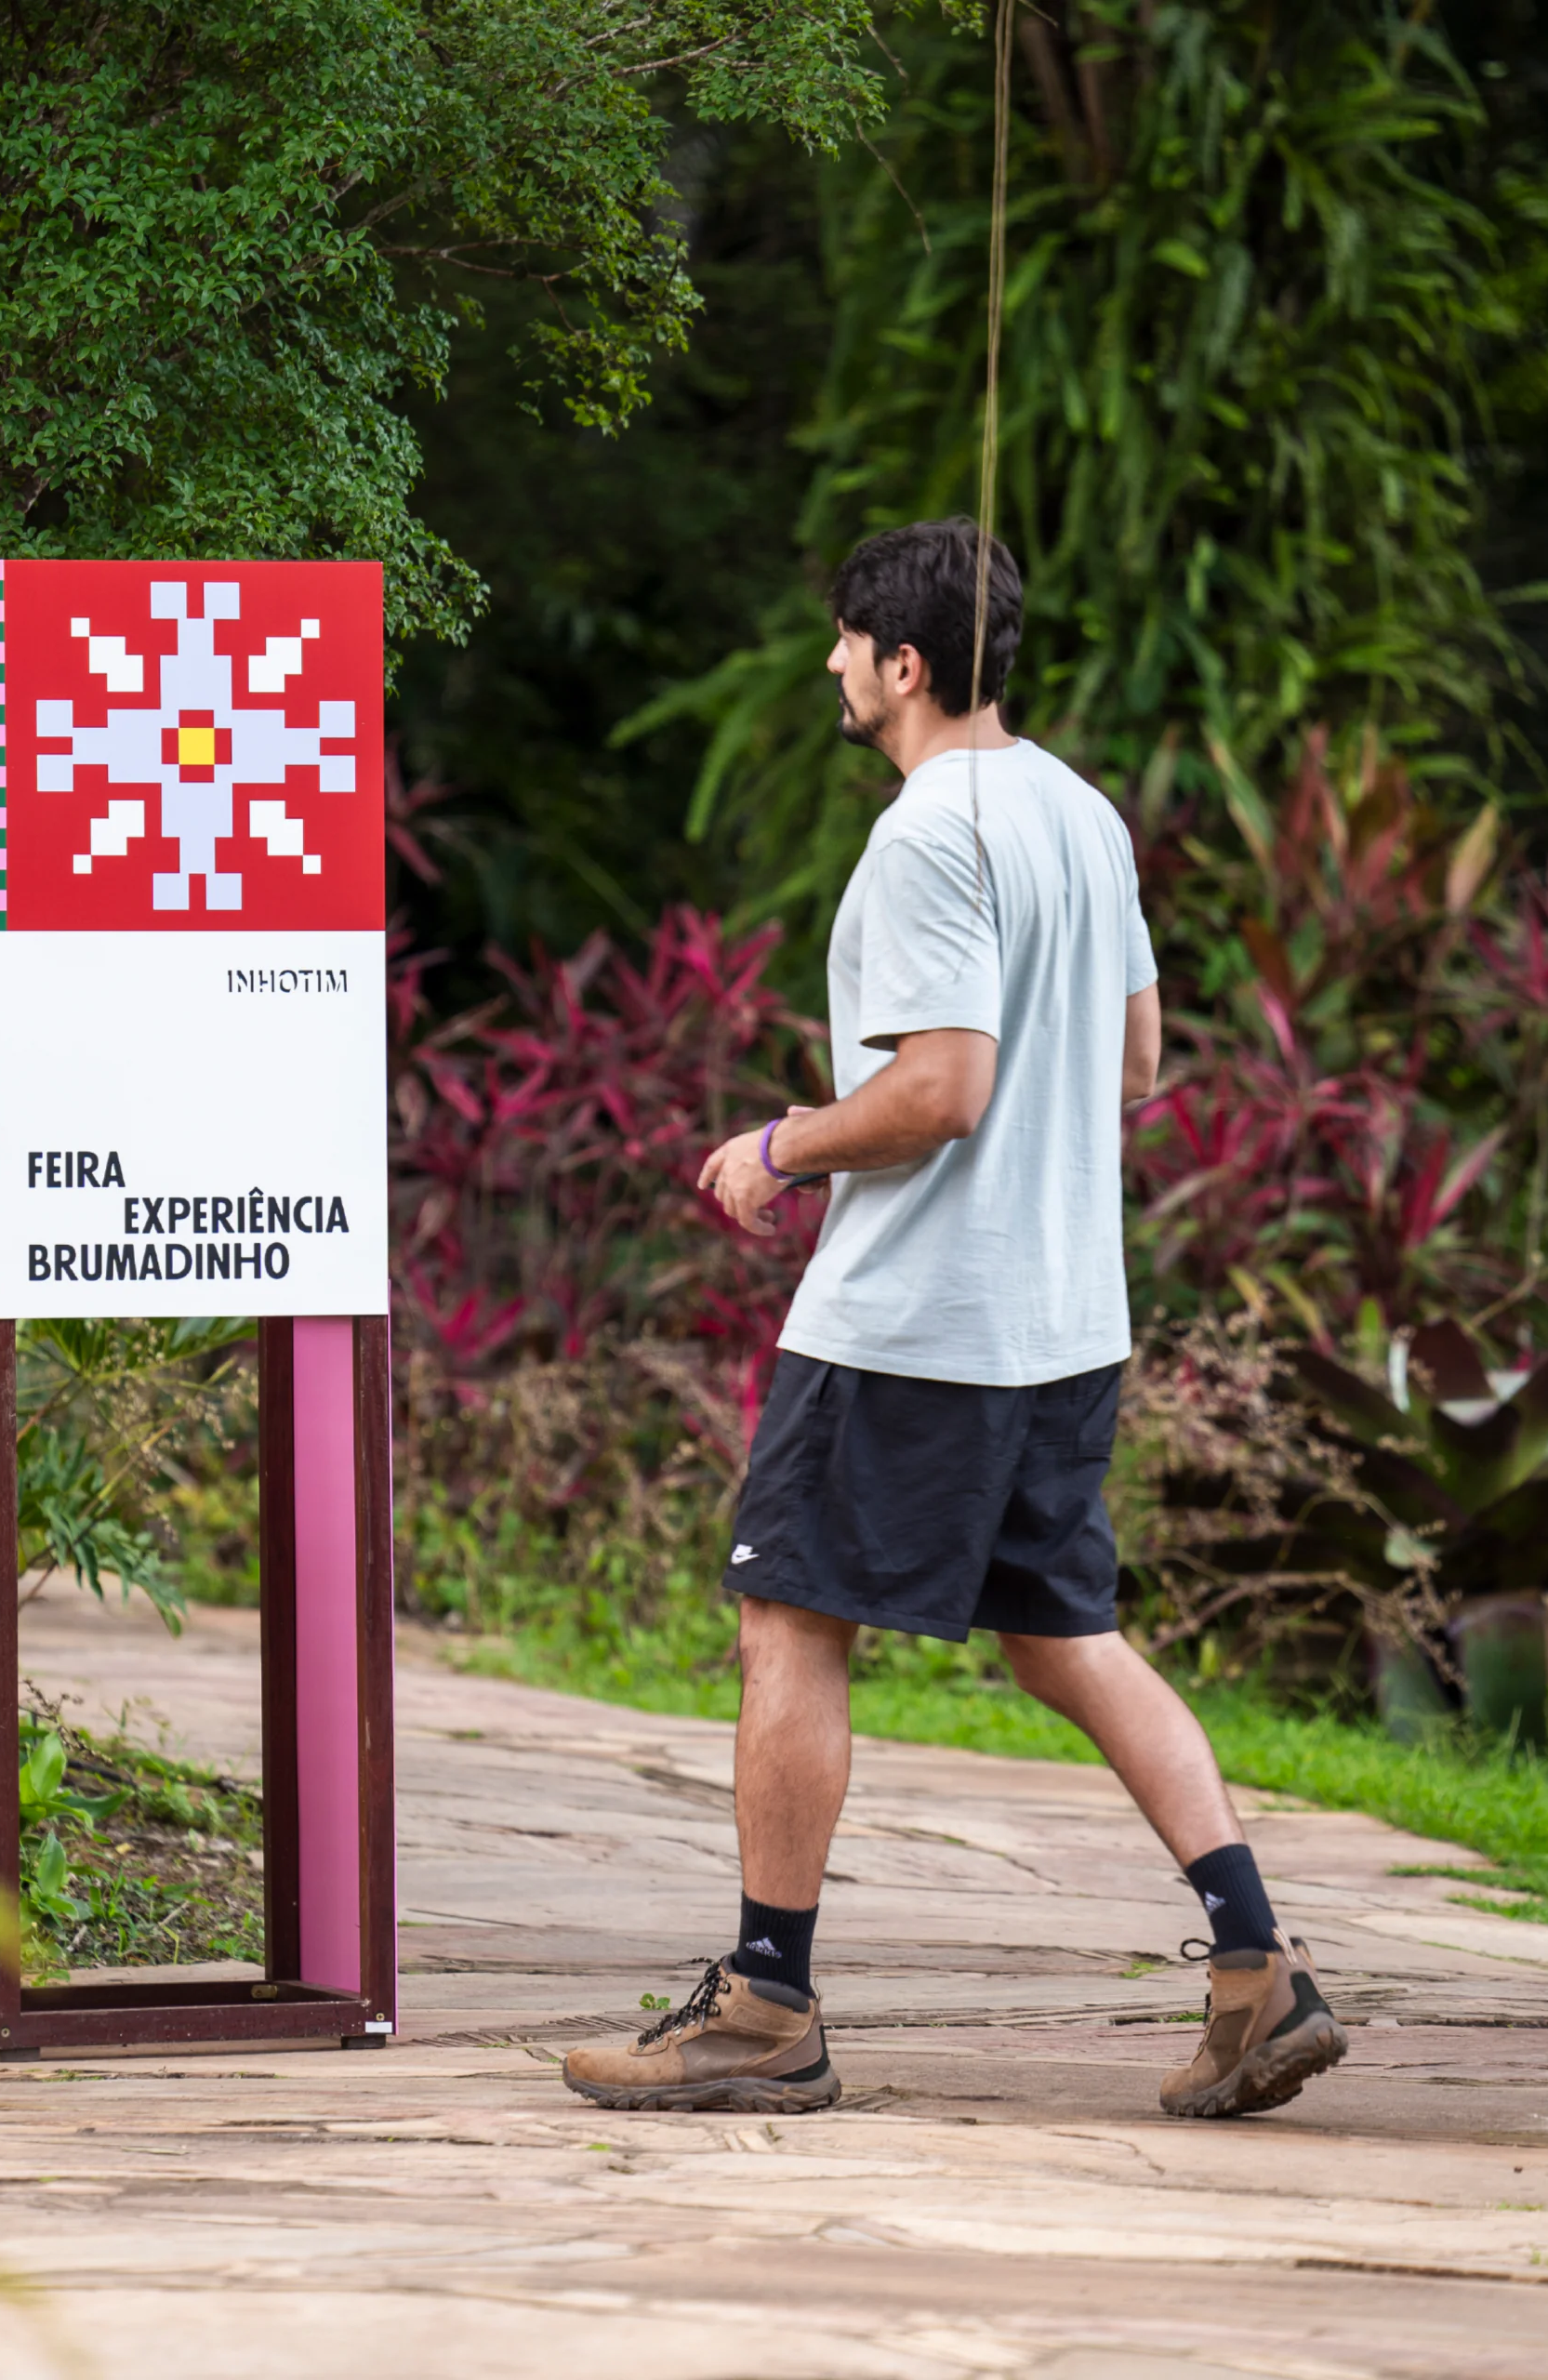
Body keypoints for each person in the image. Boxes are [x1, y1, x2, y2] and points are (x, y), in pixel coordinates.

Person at [562, 519, 1347, 2121]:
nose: (832, 666)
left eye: (847, 643)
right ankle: (1256, 1969)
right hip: (1060, 1320)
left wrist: (779, 1145)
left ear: (903, 665)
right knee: (1069, 1640)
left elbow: (938, 1088)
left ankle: (766, 2006)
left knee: (789, 1620)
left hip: (915, 1326)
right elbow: (1134, 1065)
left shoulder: (928, 835)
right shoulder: (1081, 810)